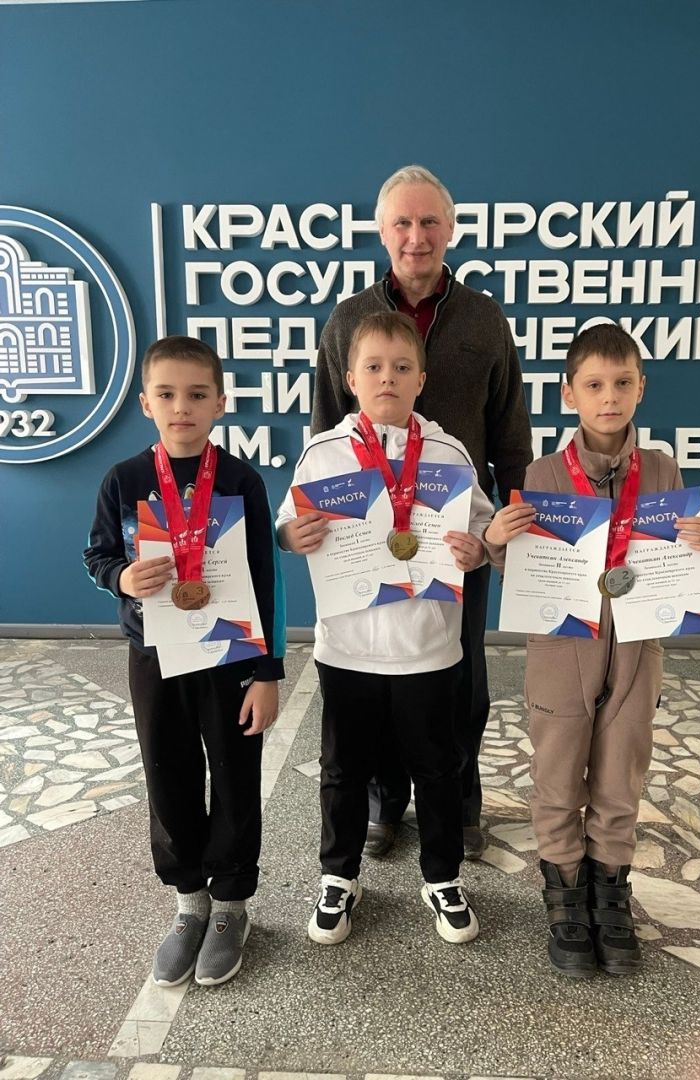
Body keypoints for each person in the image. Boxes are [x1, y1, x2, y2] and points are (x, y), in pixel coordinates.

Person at [484, 323, 700, 979]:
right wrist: (498, 540)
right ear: (570, 394)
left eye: (622, 383)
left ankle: (610, 890)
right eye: (594, 385)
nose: (609, 397)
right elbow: (522, 571)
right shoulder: (541, 475)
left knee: (622, 774)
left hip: (638, 650)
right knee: (559, 776)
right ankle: (565, 891)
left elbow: (683, 554)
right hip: (562, 651)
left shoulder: (663, 470)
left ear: (641, 387)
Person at [312, 164, 532, 860]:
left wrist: (513, 526)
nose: (416, 236)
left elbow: (510, 432)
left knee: (460, 676)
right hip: (368, 537)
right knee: (377, 672)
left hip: (456, 535)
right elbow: (325, 429)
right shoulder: (347, 320)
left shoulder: (484, 318)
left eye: (429, 221)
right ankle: (385, 800)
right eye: (402, 223)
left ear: (451, 228)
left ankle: (457, 801)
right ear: (382, 232)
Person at [277, 311, 493, 945]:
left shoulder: (450, 453)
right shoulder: (323, 453)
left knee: (439, 768)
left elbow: (481, 529)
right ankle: (338, 876)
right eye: (373, 367)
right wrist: (292, 535)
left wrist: (477, 548)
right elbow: (286, 523)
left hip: (429, 647)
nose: (387, 378)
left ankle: (443, 877)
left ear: (421, 379)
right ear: (351, 379)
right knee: (342, 769)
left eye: (402, 367)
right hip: (348, 648)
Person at [83, 335, 286, 987]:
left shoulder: (241, 481)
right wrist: (122, 578)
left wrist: (267, 672)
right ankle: (190, 902)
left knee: (234, 777)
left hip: (228, 657)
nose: (182, 407)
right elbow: (97, 555)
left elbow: (265, 579)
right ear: (145, 403)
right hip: (154, 656)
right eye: (166, 394)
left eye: (197, 394)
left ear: (220, 402)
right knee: (167, 777)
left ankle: (230, 907)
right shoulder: (124, 481)